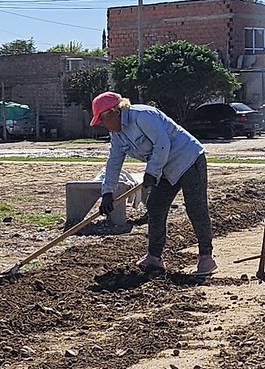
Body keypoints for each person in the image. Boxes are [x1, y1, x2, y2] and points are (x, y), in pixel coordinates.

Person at [91, 91, 217, 277]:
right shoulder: (117, 135)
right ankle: (154, 258)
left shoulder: (142, 116)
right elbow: (114, 162)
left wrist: (151, 172)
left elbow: (162, 144)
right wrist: (107, 192)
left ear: (113, 112)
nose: (102, 125)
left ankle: (206, 257)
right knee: (155, 206)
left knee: (195, 208)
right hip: (165, 167)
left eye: (102, 119)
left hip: (188, 159)